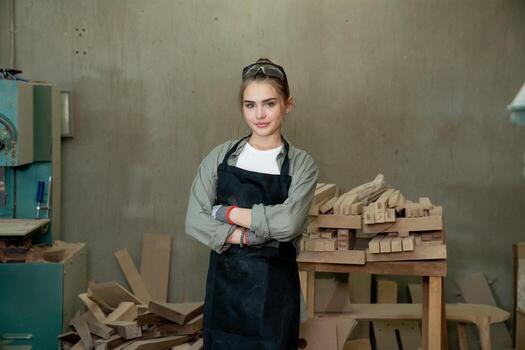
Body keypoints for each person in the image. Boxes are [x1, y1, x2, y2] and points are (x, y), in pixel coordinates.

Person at [185, 58, 319, 350]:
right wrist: (243, 236)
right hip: (224, 297)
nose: (259, 114)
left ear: (288, 105)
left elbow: (289, 224)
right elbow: (194, 219)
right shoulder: (220, 157)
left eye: (269, 104)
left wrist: (226, 212)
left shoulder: (301, 164)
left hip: (275, 301)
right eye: (250, 105)